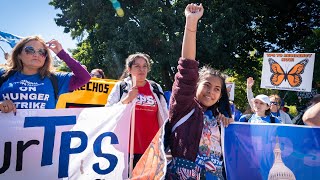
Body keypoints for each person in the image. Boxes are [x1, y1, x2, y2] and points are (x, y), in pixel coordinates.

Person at [165, 4, 233, 179]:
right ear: (195, 86)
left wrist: (227, 126)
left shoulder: (218, 119)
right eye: (207, 85)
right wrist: (191, 23)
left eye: (217, 89)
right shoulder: (183, 107)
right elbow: (187, 67)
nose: (211, 91)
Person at [106, 52, 168, 167]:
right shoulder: (121, 87)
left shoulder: (155, 87)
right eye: (137, 66)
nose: (142, 69)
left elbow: (165, 115)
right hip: (127, 149)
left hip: (152, 149)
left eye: (145, 66)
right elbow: (108, 113)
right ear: (129, 69)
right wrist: (127, 99)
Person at [0, 36, 90, 113]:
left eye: (42, 52)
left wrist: (62, 54)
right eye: (30, 50)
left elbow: (84, 77)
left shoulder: (55, 79)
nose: (36, 54)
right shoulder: (3, 75)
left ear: (45, 58)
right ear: (18, 54)